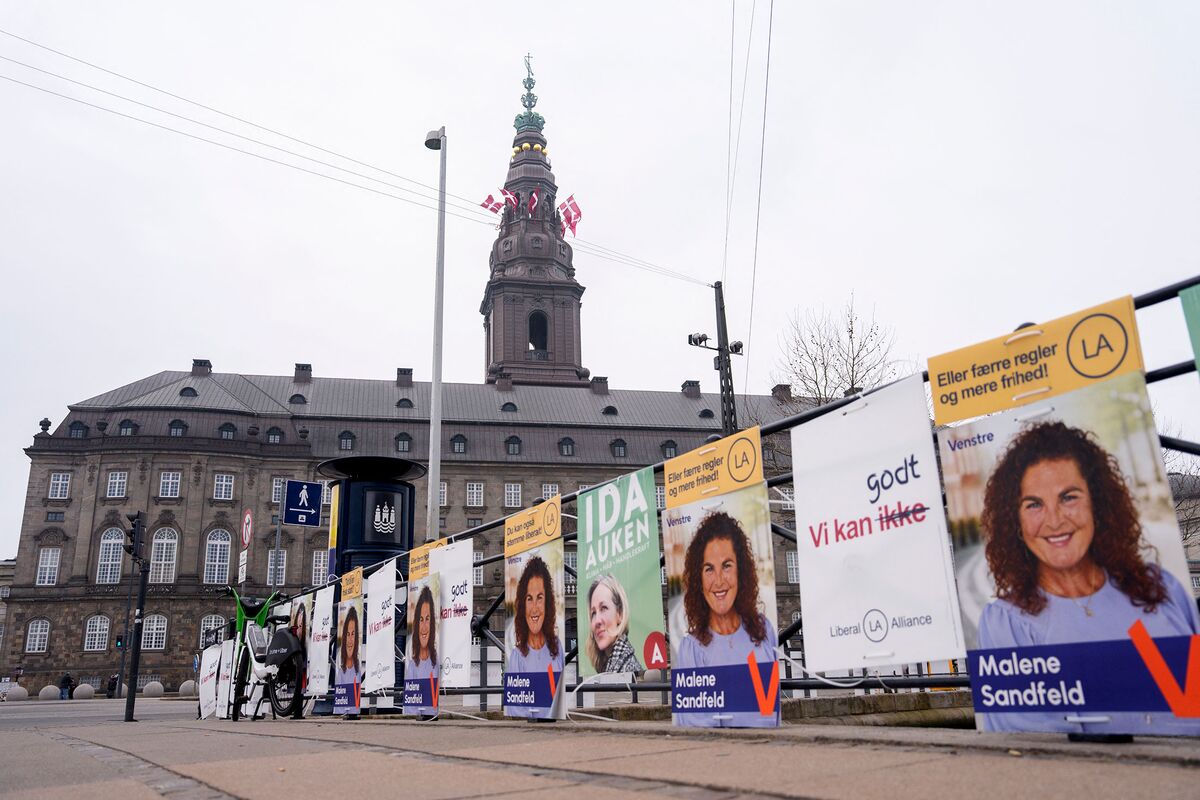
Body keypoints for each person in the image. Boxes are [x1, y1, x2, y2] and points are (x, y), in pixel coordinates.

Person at [976, 421, 1200, 734]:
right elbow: (1031, 745)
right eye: (1034, 504)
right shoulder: (1007, 622)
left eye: (1068, 497)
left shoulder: (1161, 587)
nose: (1055, 520)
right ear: (1015, 520)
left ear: (1098, 502)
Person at [675, 511, 777, 727]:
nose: (719, 580)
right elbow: (694, 729)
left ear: (741, 570)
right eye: (709, 569)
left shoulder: (764, 630)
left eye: (727, 565)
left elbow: (771, 714)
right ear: (699, 578)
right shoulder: (691, 649)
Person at [585, 574, 642, 674]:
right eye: (593, 613)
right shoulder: (610, 664)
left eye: (604, 608)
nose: (597, 621)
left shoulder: (628, 667)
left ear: (620, 614)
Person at [407, 585, 438, 681]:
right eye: (421, 619)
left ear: (432, 622)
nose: (424, 627)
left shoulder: (438, 662)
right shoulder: (412, 666)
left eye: (427, 619)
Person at [334, 605, 360, 687]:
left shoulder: (359, 662)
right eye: (348, 634)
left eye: (353, 634)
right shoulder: (339, 660)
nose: (350, 640)